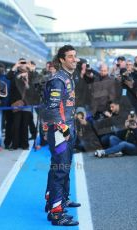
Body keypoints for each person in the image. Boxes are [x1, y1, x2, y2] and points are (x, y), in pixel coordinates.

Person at [43, 45, 79, 226]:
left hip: (68, 129)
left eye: (75, 56)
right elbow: (53, 109)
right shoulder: (58, 79)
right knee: (60, 169)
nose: (74, 59)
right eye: (70, 57)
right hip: (60, 132)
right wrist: (64, 130)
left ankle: (58, 200)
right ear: (62, 60)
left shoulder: (68, 77)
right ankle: (56, 213)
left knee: (63, 167)